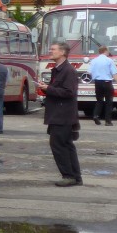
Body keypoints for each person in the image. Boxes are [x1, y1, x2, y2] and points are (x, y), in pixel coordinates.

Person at [43, 40, 83, 186]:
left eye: (53, 49)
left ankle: (68, 176)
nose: (50, 51)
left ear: (62, 52)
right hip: (59, 113)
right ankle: (75, 177)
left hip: (62, 115)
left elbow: (68, 92)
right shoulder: (59, 69)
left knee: (59, 146)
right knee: (66, 145)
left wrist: (48, 89)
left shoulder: (68, 70)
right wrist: (46, 88)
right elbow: (59, 90)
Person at [87, 45, 117, 125]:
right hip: (107, 82)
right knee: (109, 102)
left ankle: (95, 115)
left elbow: (89, 72)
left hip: (97, 83)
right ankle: (108, 121)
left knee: (99, 101)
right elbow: (114, 73)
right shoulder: (109, 60)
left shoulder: (94, 61)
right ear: (106, 51)